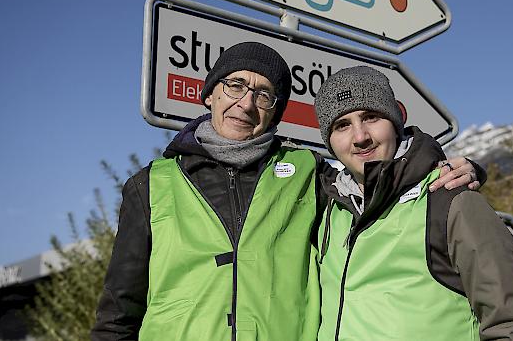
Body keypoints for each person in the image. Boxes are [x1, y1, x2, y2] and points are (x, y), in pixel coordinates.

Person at [91, 42, 483, 340]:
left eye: (263, 95)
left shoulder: (308, 172)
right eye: (235, 85)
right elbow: (119, 311)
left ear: (275, 112)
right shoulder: (151, 184)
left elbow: (378, 187)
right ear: (210, 93)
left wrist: (451, 168)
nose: (246, 104)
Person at [314, 66, 513, 341]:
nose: (360, 137)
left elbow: (511, 325)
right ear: (330, 141)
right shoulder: (330, 209)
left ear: (395, 123)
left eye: (371, 117)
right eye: (342, 125)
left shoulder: (449, 196)